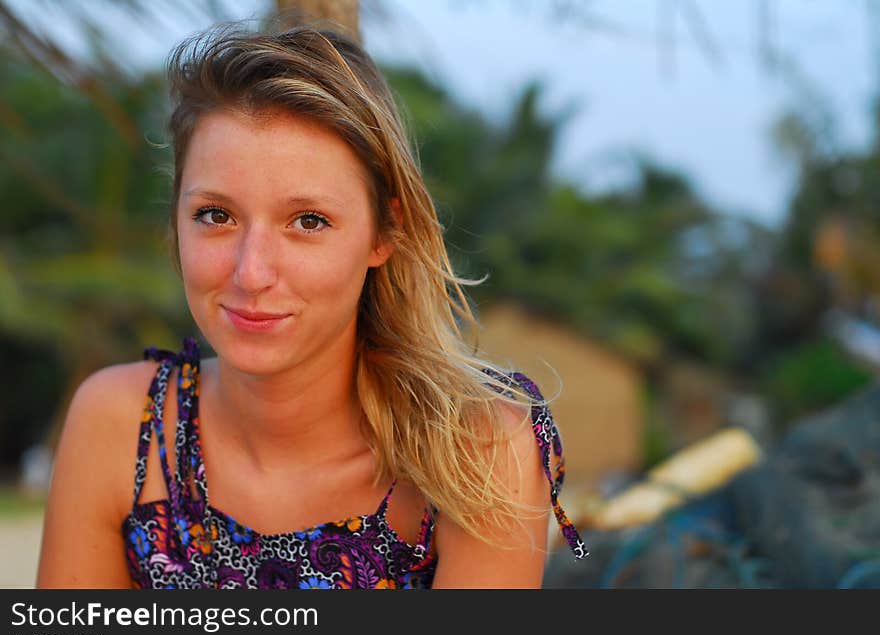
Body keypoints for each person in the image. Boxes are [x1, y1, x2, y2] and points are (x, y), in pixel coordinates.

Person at [36, 20, 586, 590]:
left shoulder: (475, 454)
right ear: (175, 217)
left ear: (383, 234)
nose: (251, 272)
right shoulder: (122, 426)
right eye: (216, 215)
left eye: (308, 222)